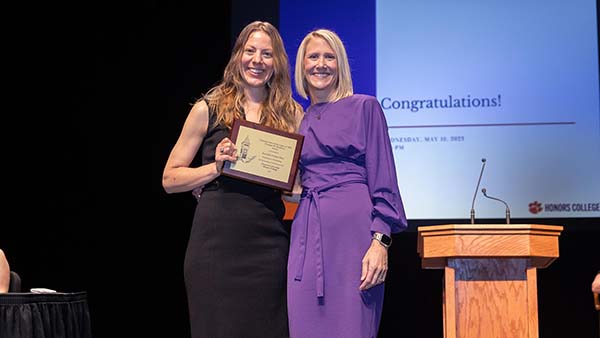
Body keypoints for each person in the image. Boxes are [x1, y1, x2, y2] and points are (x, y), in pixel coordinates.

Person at [162, 21, 303, 338]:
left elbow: (297, 190)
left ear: (277, 62)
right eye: (250, 51)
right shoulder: (208, 108)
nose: (257, 60)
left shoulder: (292, 115)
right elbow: (170, 179)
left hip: (269, 248)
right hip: (215, 248)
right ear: (238, 55)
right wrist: (215, 167)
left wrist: (295, 189)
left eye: (267, 54)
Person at [285, 28, 408, 338]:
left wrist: (380, 243)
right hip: (306, 235)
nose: (321, 64)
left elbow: (385, 183)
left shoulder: (365, 108)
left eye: (329, 57)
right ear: (302, 65)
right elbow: (290, 185)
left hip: (354, 240)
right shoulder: (298, 119)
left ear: (340, 65)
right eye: (313, 57)